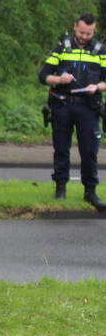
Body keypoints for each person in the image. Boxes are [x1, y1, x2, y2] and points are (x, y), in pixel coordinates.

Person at [38, 14, 106, 211]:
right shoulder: (62, 48)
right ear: (75, 27)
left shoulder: (100, 51)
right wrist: (59, 80)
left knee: (89, 151)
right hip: (62, 105)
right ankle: (60, 189)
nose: (84, 36)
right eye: (81, 32)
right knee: (61, 149)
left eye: (89, 33)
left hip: (88, 107)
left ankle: (90, 192)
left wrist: (98, 87)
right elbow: (43, 76)